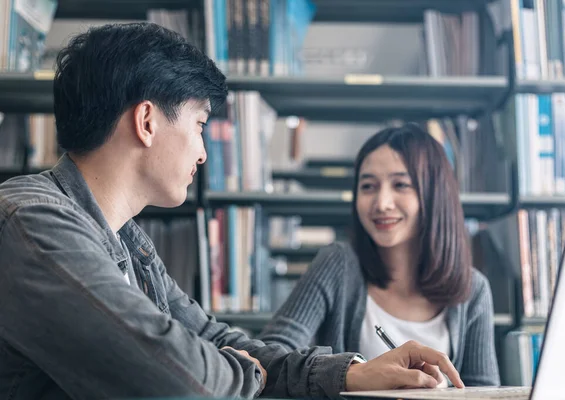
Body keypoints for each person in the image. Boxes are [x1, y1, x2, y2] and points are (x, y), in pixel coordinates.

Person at [0, 23, 465, 400]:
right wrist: (247, 374)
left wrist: (350, 373)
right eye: (199, 125)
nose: (203, 154)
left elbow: (209, 337)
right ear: (147, 122)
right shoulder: (33, 224)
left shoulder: (127, 241)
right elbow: (186, 381)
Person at [258, 125, 501, 387]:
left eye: (401, 185)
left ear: (434, 194)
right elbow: (266, 357)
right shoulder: (338, 265)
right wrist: (352, 373)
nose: (382, 202)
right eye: (368, 186)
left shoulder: (473, 290)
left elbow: (484, 391)